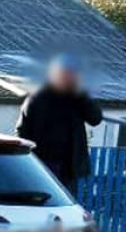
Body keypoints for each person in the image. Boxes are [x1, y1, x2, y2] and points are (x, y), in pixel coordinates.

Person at [16, 54, 103, 194]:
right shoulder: (38, 97)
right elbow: (23, 130)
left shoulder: (77, 97)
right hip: (44, 162)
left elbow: (95, 119)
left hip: (68, 165)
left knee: (64, 203)